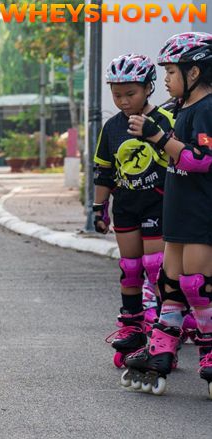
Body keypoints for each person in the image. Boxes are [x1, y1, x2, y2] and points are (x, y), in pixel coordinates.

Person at [122, 32, 212, 397]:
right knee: (170, 284)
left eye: (172, 71)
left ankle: (209, 353)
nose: (167, 79)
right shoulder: (182, 109)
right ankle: (161, 349)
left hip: (201, 213)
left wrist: (158, 138)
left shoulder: (206, 110)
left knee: (198, 285)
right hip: (177, 209)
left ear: (194, 74)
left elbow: (200, 159)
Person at [94, 54, 175, 368]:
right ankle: (132, 326)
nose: (124, 101)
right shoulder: (112, 127)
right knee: (129, 267)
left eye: (131, 94)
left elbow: (178, 158)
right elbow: (104, 170)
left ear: (147, 88)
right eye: (117, 95)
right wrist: (100, 208)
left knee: (156, 267)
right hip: (125, 206)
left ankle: (163, 328)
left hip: (158, 202)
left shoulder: (165, 121)